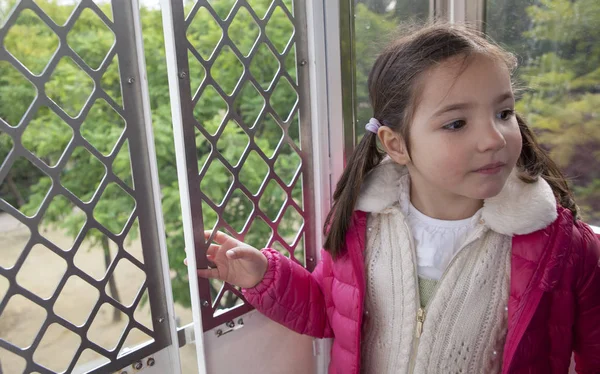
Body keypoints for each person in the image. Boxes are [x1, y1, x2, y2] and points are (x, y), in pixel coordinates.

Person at [193, 23, 600, 373]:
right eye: (457, 123)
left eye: (504, 113)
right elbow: (331, 312)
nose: (494, 139)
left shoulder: (564, 248)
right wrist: (265, 277)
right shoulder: (361, 225)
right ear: (397, 144)